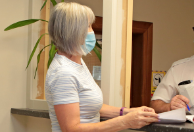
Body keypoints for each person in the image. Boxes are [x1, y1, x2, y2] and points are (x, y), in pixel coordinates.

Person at [45, 2, 158, 132]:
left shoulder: (77, 64)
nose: (92, 31)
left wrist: (127, 112)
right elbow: (71, 129)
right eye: (88, 26)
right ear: (74, 32)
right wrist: (125, 122)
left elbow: (90, 105)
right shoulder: (63, 72)